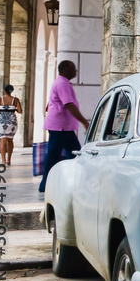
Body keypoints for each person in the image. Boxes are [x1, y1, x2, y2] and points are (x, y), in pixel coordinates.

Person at [41, 61, 89, 192]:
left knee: (74, 154)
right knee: (55, 155)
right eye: (73, 69)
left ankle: (76, 181)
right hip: (59, 127)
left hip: (64, 127)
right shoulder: (62, 83)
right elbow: (69, 104)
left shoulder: (63, 82)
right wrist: (84, 121)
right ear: (65, 69)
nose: (76, 71)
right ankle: (46, 184)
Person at [0, 85, 22, 165]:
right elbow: (20, 111)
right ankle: (9, 159)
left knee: (2, 140)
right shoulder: (15, 100)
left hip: (1, 121)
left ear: (4, 90)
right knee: (10, 140)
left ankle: (3, 160)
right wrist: (12, 109)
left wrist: (1, 110)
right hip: (11, 121)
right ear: (12, 90)